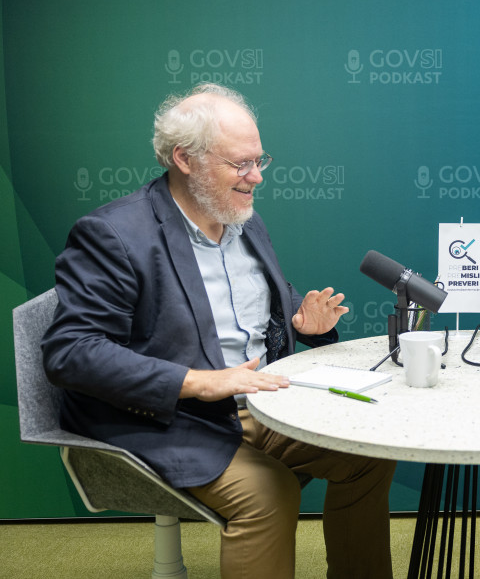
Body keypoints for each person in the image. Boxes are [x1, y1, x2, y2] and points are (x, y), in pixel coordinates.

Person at [42, 83, 396, 579]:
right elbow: (71, 353)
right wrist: (197, 381)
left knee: (366, 456)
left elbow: (262, 304)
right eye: (240, 164)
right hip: (164, 420)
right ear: (185, 159)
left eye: (259, 160)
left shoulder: (243, 221)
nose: (256, 177)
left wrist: (303, 322)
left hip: (257, 405)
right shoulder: (113, 234)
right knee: (269, 492)